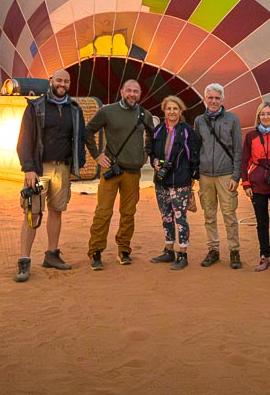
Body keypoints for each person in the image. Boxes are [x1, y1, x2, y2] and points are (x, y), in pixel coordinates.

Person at [14, 69, 87, 283]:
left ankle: (52, 254)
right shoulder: (35, 107)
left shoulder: (74, 109)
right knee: (32, 212)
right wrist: (28, 168)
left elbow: (80, 137)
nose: (62, 84)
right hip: (39, 169)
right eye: (59, 80)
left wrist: (78, 164)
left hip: (62, 169)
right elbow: (24, 140)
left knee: (57, 211)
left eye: (66, 81)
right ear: (51, 81)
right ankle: (24, 260)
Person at [84, 78, 154, 270]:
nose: (132, 94)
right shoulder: (107, 111)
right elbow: (88, 131)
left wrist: (145, 154)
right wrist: (97, 156)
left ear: (140, 94)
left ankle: (124, 249)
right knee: (103, 212)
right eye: (129, 90)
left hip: (133, 172)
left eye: (136, 92)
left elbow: (152, 135)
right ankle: (96, 251)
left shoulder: (144, 114)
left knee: (128, 213)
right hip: (111, 170)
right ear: (121, 91)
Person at [193, 82, 244, 269]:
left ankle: (234, 251)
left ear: (223, 99)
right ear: (205, 99)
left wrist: (236, 176)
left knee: (229, 215)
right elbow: (197, 147)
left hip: (226, 174)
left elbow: (238, 149)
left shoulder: (232, 119)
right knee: (209, 215)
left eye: (217, 98)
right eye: (210, 98)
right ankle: (213, 249)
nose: (213, 101)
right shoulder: (199, 121)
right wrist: (196, 173)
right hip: (205, 175)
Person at [149, 95, 200, 271]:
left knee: (180, 218)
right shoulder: (158, 130)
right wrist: (154, 161)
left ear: (181, 111)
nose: (172, 112)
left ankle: (183, 254)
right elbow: (151, 151)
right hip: (161, 181)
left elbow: (194, 155)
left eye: (175, 109)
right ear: (164, 110)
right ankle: (168, 250)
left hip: (180, 182)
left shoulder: (187, 131)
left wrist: (191, 179)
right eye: (169, 108)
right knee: (166, 217)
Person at [240, 101, 270, 274]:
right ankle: (264, 256)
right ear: (258, 116)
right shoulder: (251, 136)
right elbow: (244, 160)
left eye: (268, 114)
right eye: (262, 114)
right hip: (257, 186)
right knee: (262, 222)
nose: (265, 117)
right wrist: (246, 183)